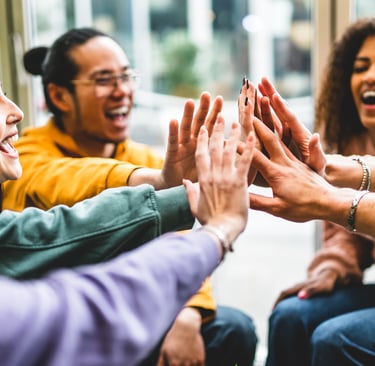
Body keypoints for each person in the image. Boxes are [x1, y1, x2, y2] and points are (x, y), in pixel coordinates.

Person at [3, 27, 257, 365]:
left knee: (233, 329)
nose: (122, 90)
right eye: (104, 80)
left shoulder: (148, 156)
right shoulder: (26, 153)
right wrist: (157, 182)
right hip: (68, 315)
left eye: (126, 76)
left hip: (135, 303)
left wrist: (189, 314)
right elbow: (66, 181)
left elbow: (180, 240)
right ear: (61, 97)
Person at [257, 19, 375, 366]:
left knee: (336, 339)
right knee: (291, 317)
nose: (369, 76)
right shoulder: (353, 140)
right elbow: (349, 238)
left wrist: (332, 173)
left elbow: (343, 196)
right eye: (360, 67)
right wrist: (331, 269)